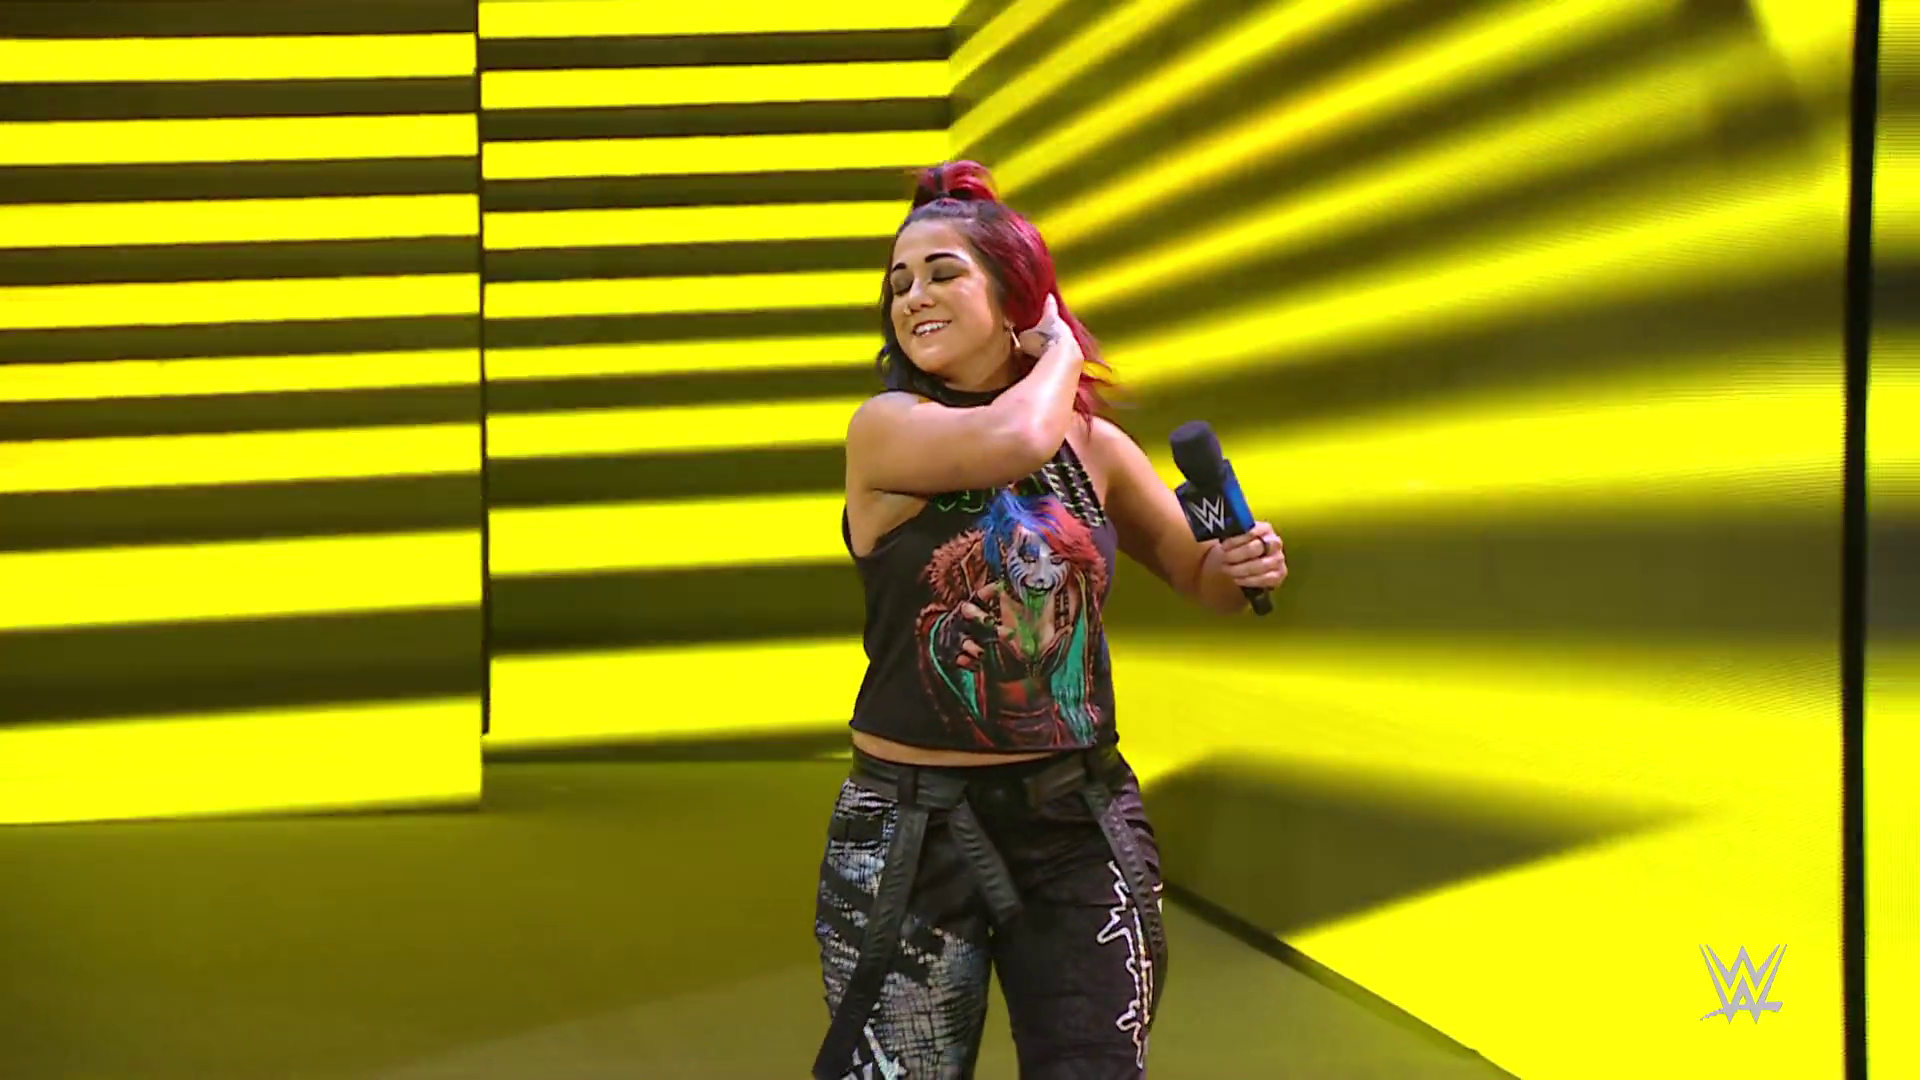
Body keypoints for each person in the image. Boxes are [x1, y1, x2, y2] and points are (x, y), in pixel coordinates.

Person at [814, 160, 1287, 1080]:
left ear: (1013, 295)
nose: (913, 297)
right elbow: (1015, 439)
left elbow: (1199, 578)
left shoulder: (1095, 448)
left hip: (1076, 820)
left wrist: (1239, 563)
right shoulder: (888, 427)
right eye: (899, 284)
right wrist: (1062, 347)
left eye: (942, 273)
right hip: (910, 831)